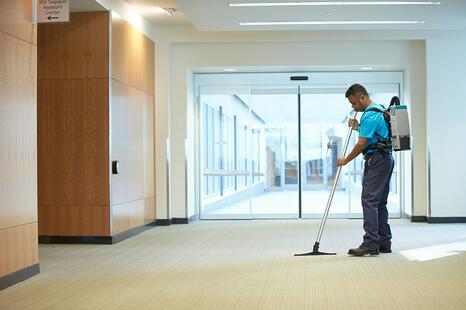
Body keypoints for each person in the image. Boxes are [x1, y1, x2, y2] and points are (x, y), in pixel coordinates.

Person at [337, 84, 395, 256]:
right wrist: (357, 126)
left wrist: (345, 160)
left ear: (362, 97)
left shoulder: (369, 116)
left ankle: (370, 243)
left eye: (354, 103)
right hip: (386, 159)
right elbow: (375, 135)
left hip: (376, 160)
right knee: (380, 202)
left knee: (369, 201)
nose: (353, 107)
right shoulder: (380, 110)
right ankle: (384, 242)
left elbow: (362, 143)